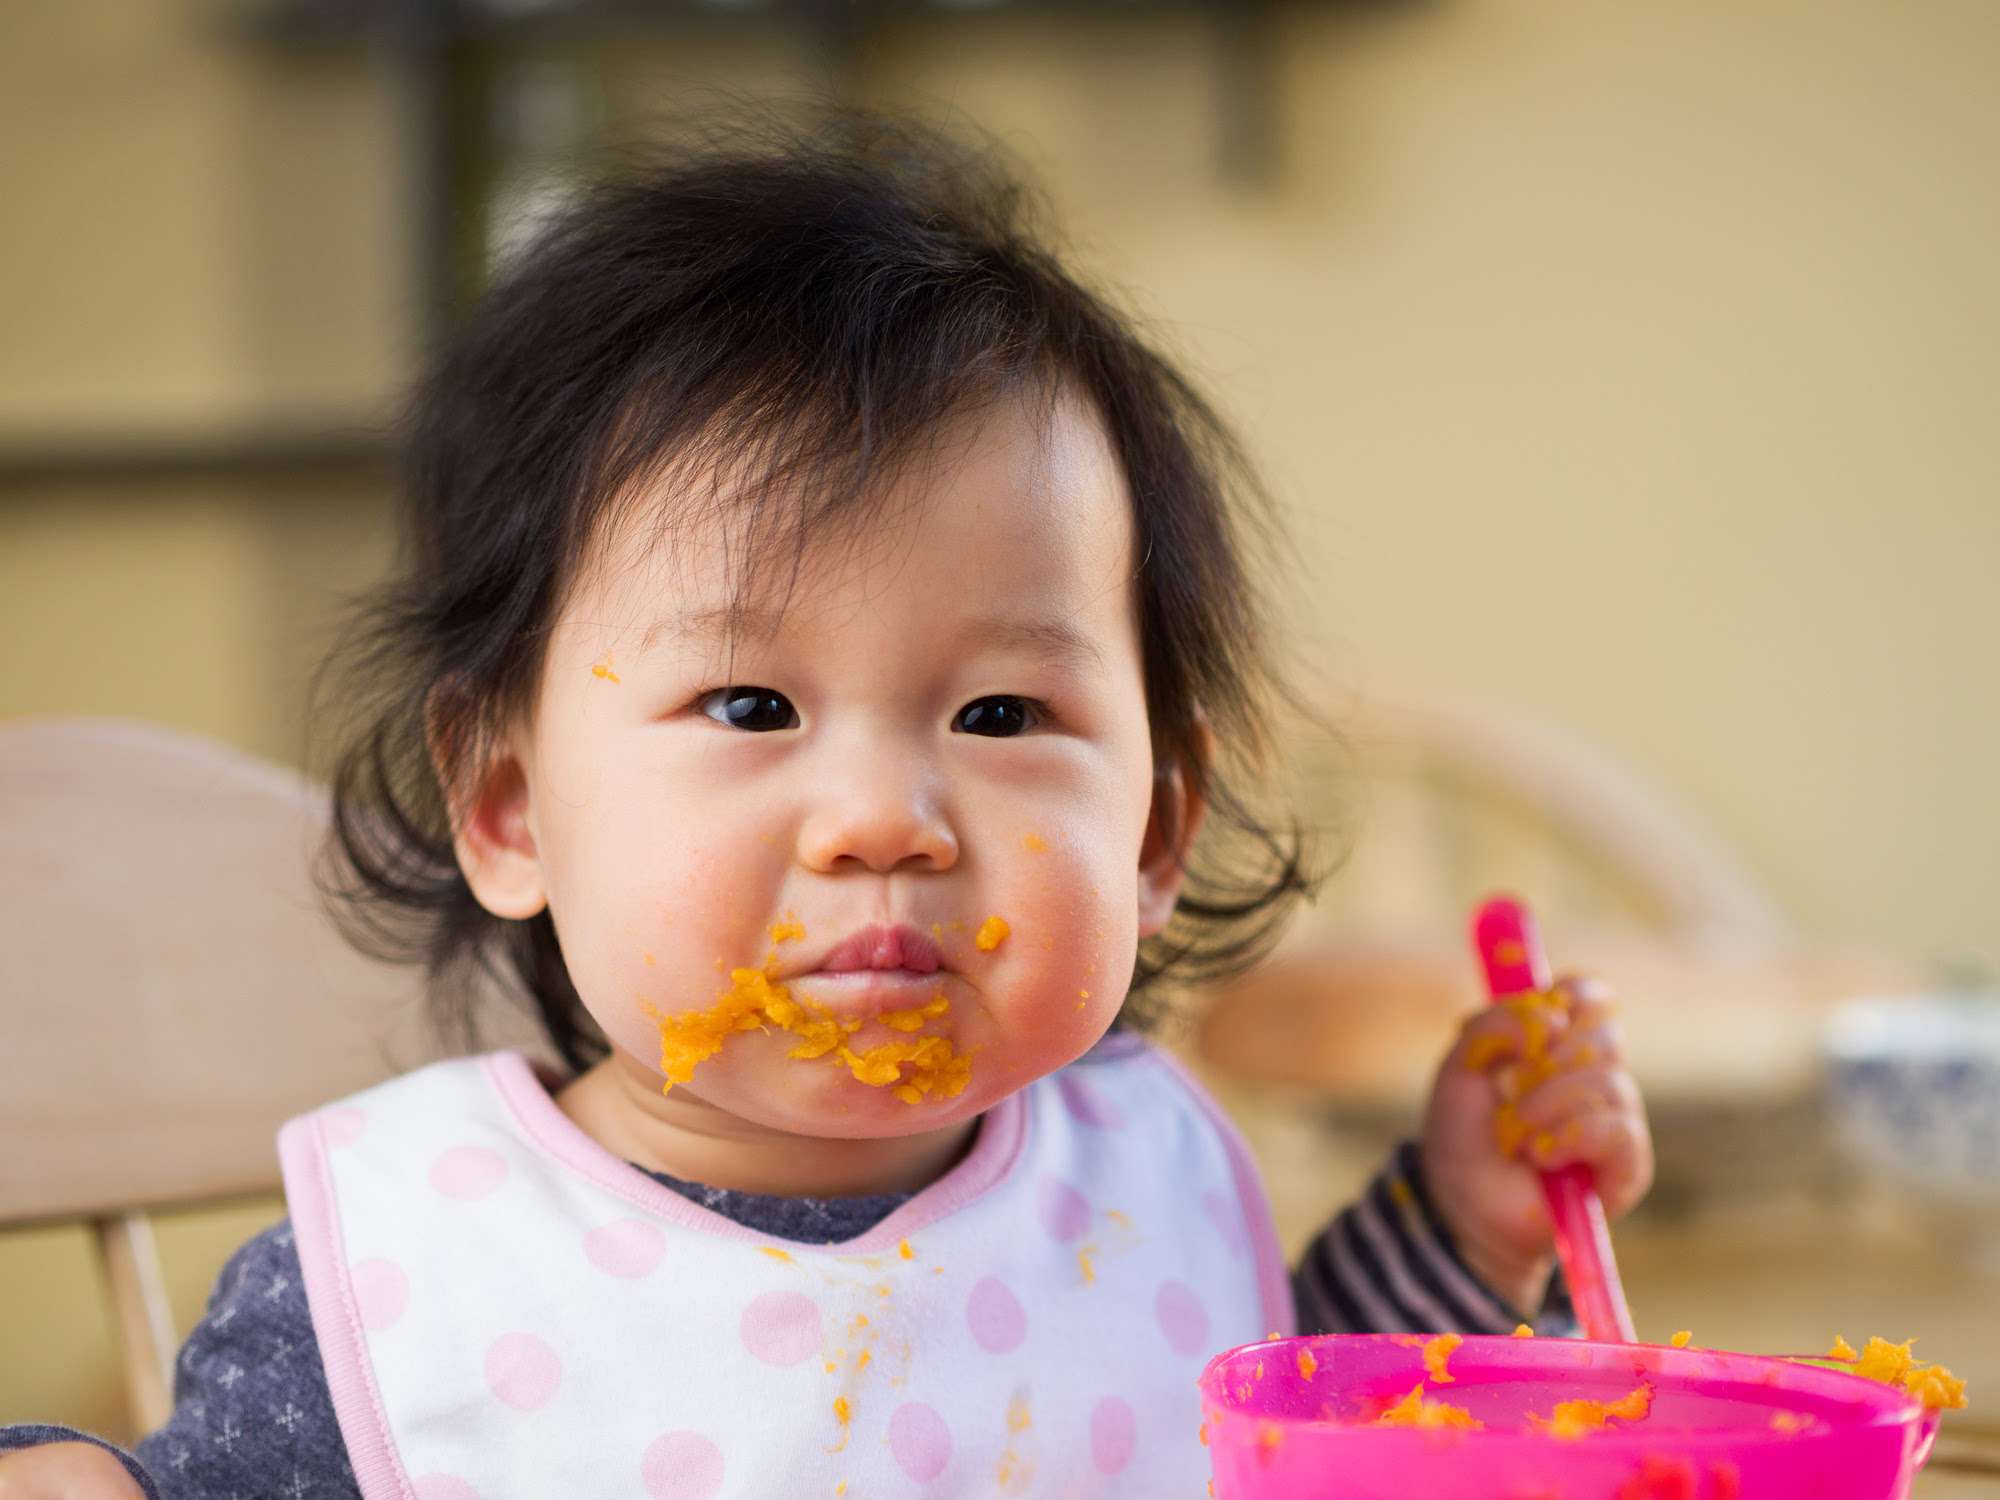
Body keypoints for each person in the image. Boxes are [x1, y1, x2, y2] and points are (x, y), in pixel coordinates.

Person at [0, 114, 1649, 1500]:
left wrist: (1463, 1229)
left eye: (1002, 712)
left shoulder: (1138, 1185)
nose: (882, 818)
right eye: (749, 707)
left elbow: (1246, 1419)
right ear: (510, 809)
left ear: (1152, 832)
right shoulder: (404, 1284)